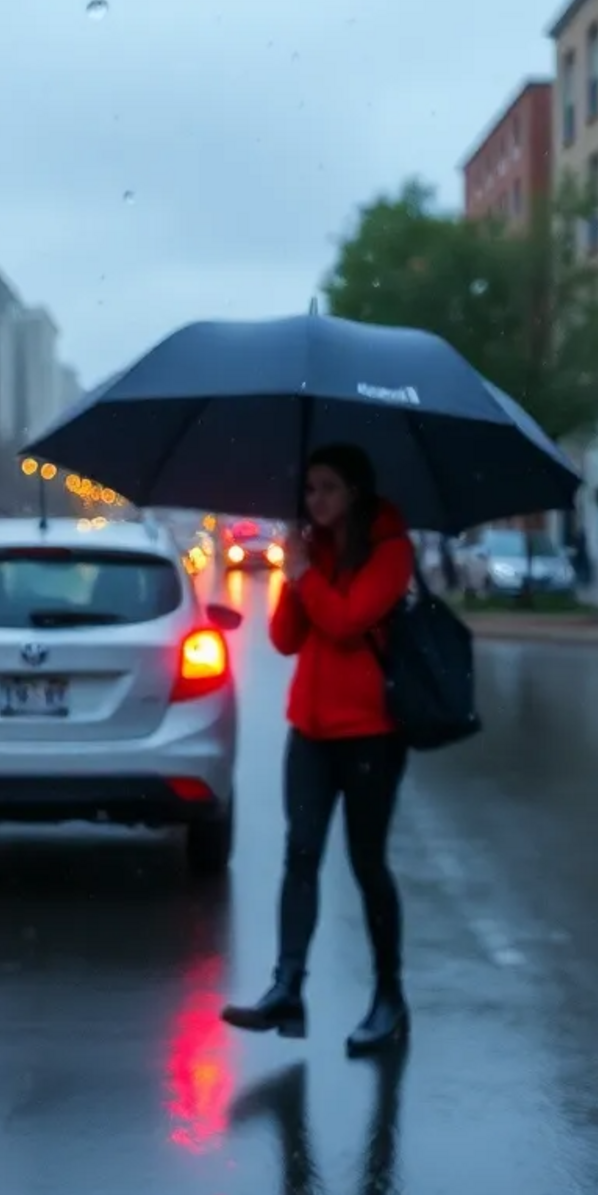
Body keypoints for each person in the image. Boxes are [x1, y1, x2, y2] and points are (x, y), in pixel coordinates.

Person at [221, 442, 416, 1058]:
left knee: (366, 863)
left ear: (355, 492)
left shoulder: (391, 550)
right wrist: (293, 568)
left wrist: (306, 575)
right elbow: (283, 639)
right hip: (309, 731)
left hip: (371, 735)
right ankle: (287, 987)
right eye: (309, 489)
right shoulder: (316, 551)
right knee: (299, 855)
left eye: (327, 487)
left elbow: (348, 622)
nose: (315, 499)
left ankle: (389, 997)